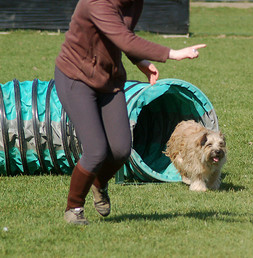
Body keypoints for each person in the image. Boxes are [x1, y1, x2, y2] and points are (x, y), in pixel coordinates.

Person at [54, 0, 206, 225]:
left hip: (109, 80)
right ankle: (74, 208)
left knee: (121, 149)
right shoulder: (96, 3)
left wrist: (140, 62)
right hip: (77, 78)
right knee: (96, 150)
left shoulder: (135, 2)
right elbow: (125, 39)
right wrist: (173, 53)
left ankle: (99, 183)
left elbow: (122, 34)